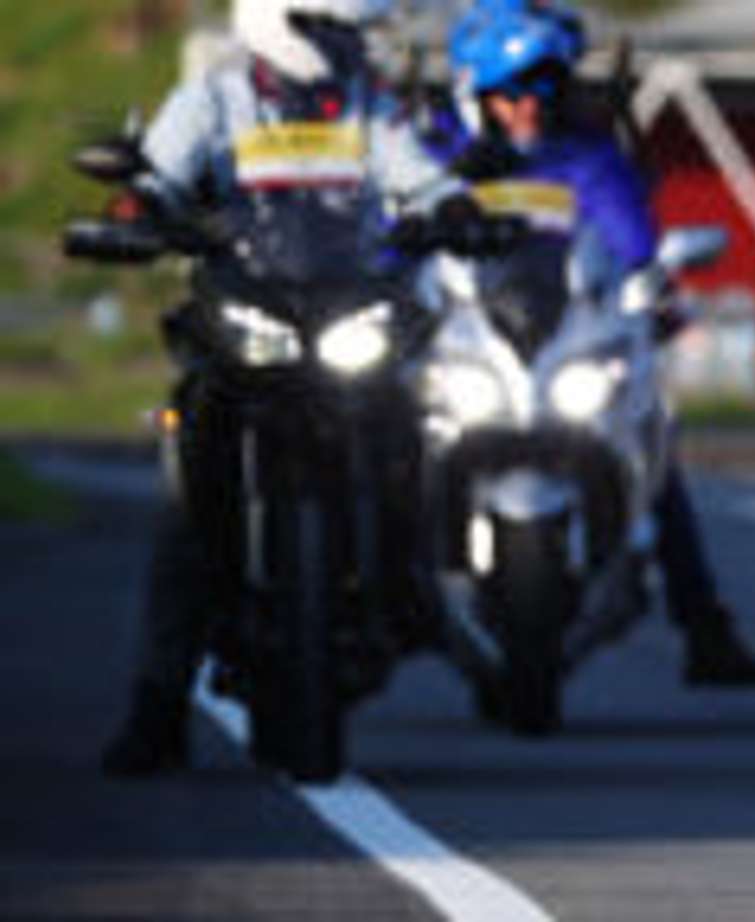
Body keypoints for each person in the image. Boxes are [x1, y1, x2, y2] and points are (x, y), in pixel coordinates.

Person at [100, 0, 467, 777]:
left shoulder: (366, 105)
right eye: (337, 28)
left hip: (345, 311)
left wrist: (456, 209)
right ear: (284, 22)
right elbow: (158, 180)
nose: (351, 44)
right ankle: (157, 705)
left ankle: (411, 591)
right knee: (188, 498)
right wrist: (139, 211)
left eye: (354, 31)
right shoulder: (213, 99)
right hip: (243, 317)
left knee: (411, 427)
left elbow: (419, 177)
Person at [436, 6, 755, 687]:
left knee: (651, 445)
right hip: (471, 343)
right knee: (374, 427)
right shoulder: (437, 155)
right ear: (475, 96)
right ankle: (348, 598)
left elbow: (636, 249)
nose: (527, 107)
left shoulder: (590, 158)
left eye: (542, 89)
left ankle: (704, 625)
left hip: (568, 343)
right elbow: (393, 236)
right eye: (509, 93)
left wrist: (653, 291)